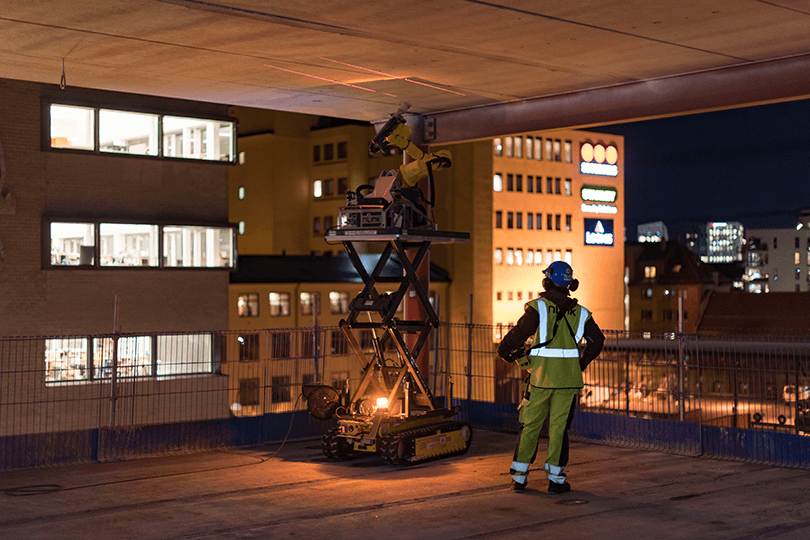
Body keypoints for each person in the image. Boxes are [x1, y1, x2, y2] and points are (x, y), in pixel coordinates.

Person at [497, 261, 605, 494]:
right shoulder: (582, 313)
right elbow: (598, 342)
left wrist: (504, 351)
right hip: (568, 382)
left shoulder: (539, 308)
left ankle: (519, 478)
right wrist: (580, 364)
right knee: (559, 429)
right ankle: (556, 480)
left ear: (547, 282)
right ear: (570, 285)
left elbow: (518, 335)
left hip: (540, 379)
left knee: (530, 426)